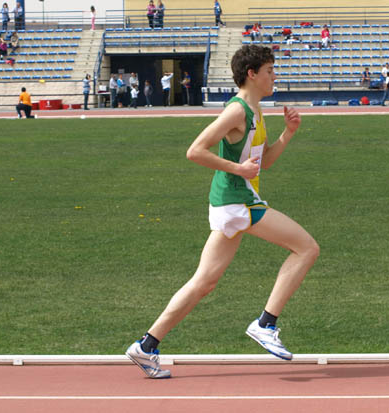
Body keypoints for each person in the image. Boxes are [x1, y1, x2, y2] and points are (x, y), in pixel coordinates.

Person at [125, 44, 319, 379]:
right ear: (252, 74)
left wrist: (288, 134)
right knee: (306, 248)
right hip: (237, 202)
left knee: (204, 282)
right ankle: (265, 324)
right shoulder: (236, 112)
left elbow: (261, 165)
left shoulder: (256, 112)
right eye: (270, 70)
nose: (275, 76)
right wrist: (236, 169)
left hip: (232, 203)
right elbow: (194, 151)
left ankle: (146, 346)